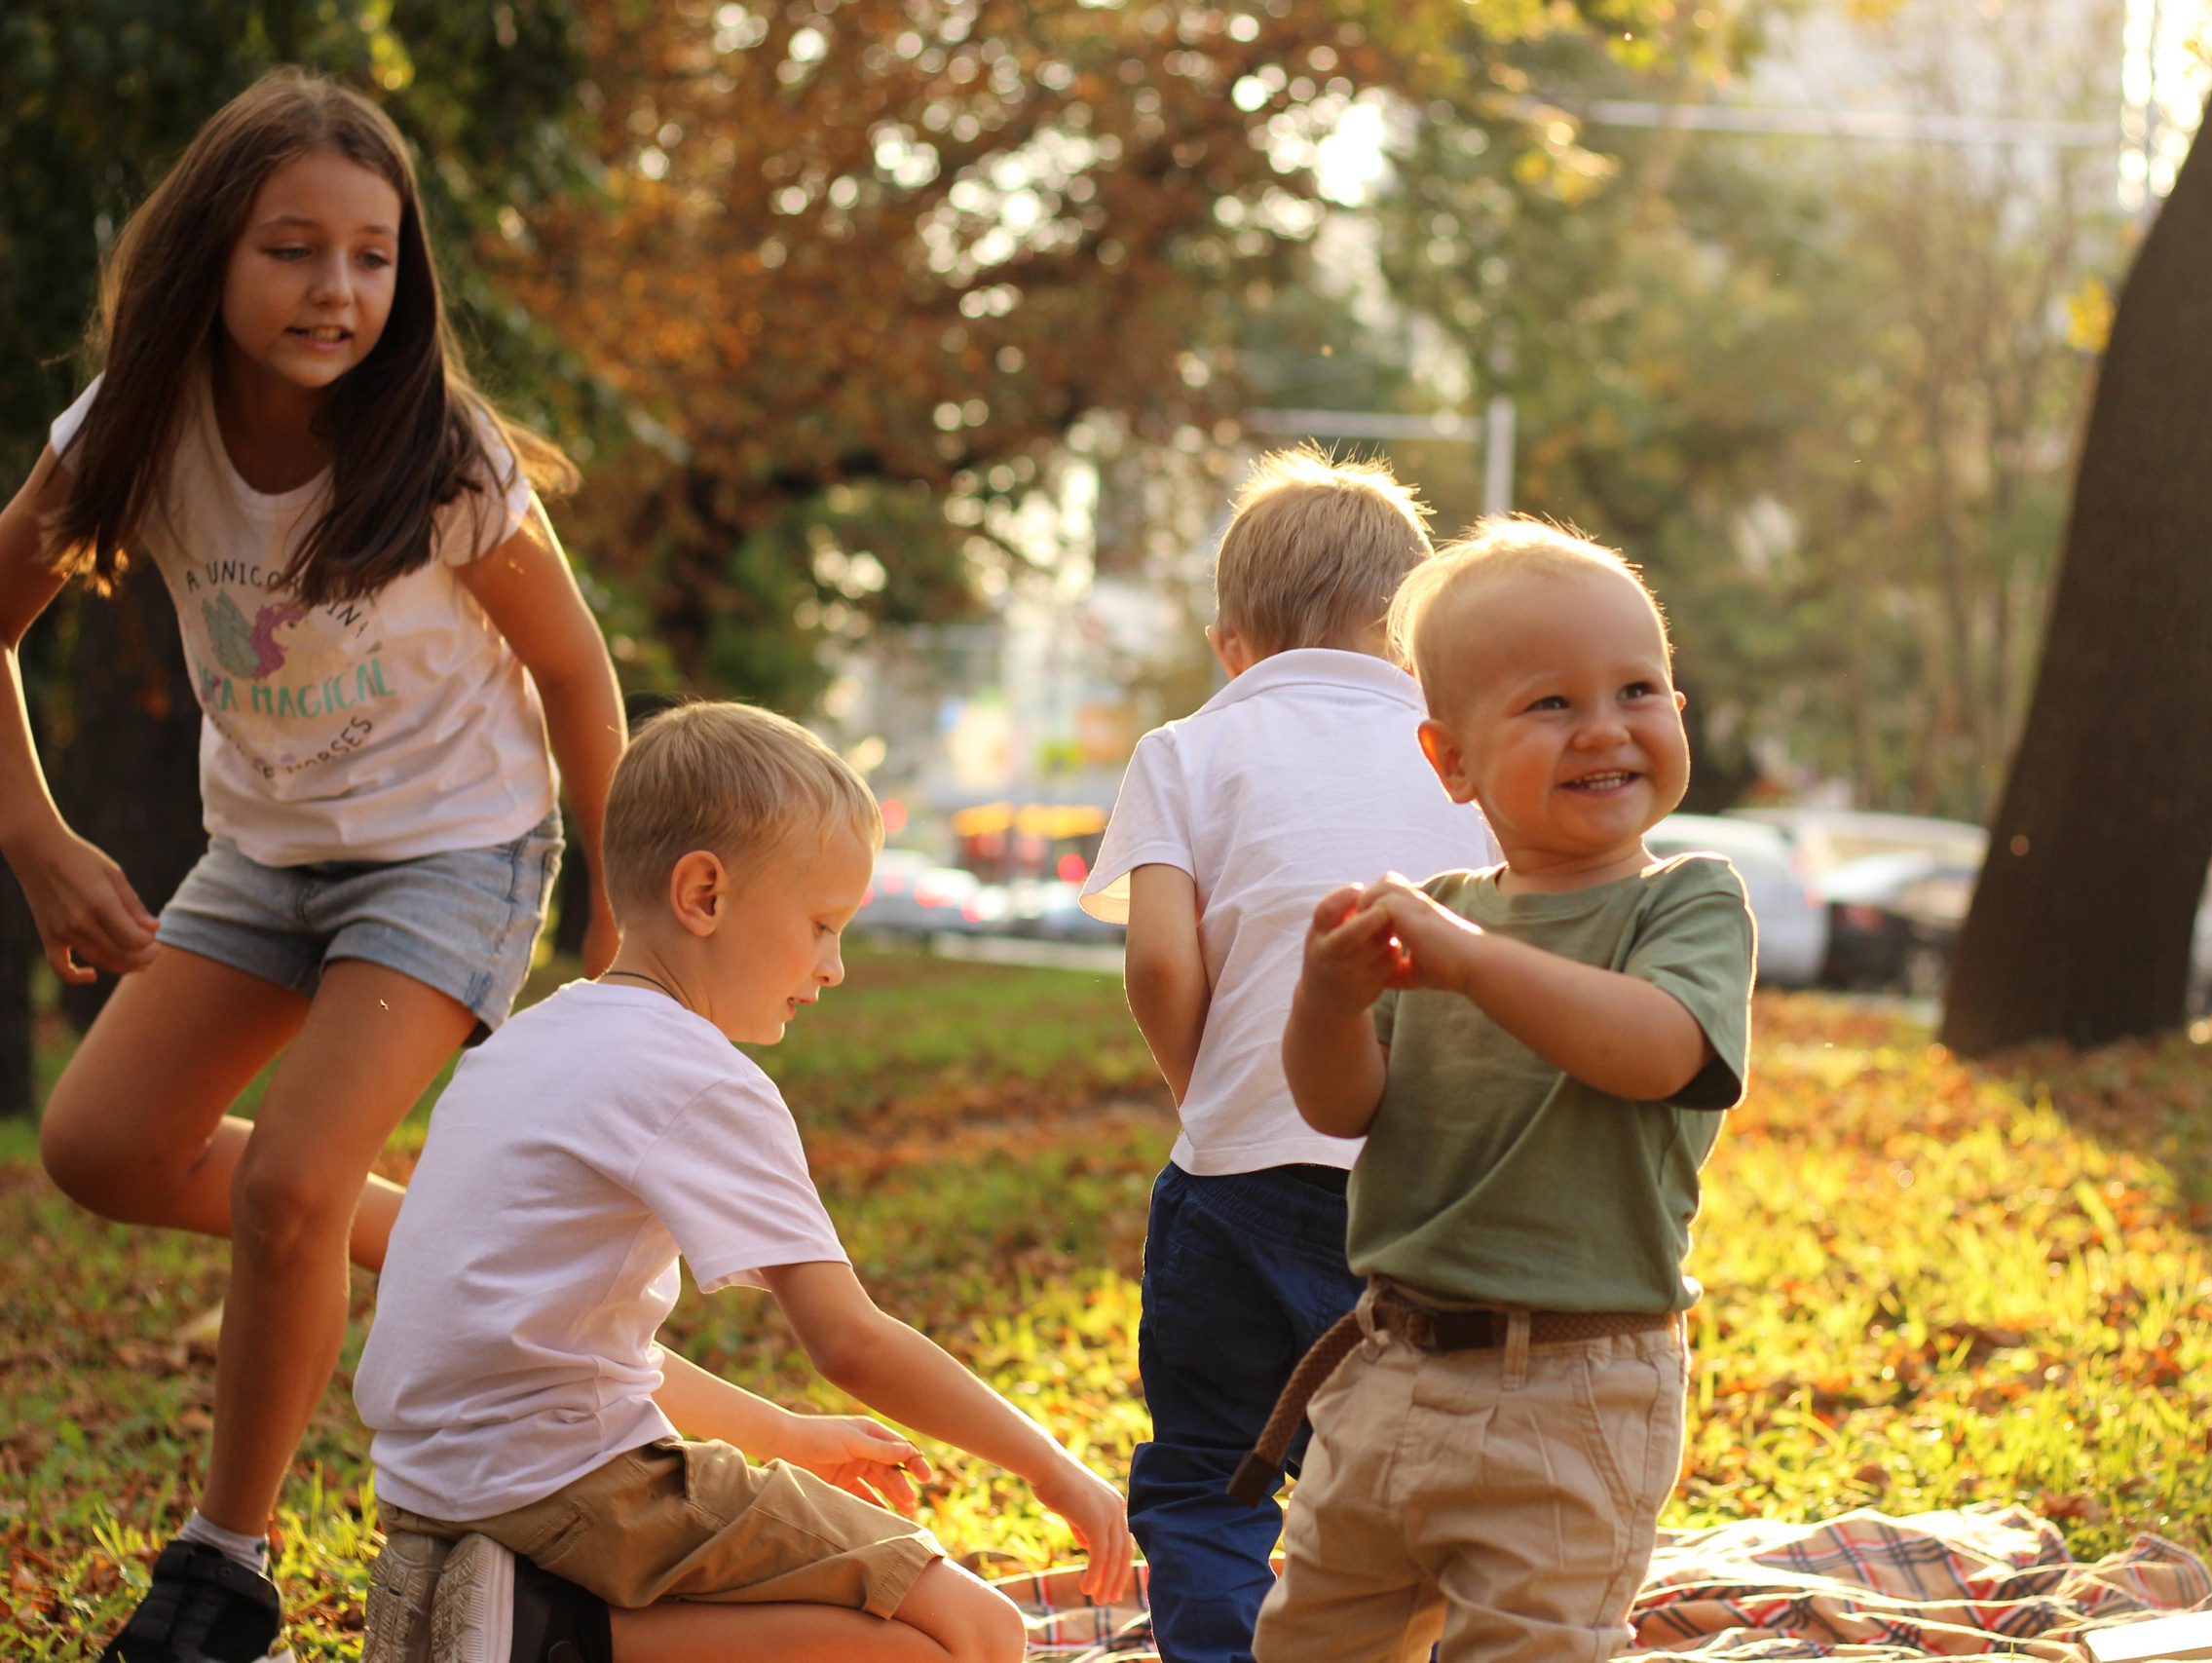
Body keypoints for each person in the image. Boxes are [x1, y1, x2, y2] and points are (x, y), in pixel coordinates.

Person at [0, 70, 625, 1663]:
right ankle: (360, 1206)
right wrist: (38, 837)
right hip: (269, 849)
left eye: (371, 254)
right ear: (210, 252)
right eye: (292, 248)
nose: (336, 288)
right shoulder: (132, 428)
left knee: (286, 1185)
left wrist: (616, 916)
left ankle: (227, 1573)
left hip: (456, 847)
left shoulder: (439, 452)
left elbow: (576, 672)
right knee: (100, 1145)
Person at [355, 700, 1135, 1663]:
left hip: (434, 1493)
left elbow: (563, 1359)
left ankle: (524, 1619)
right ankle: (553, 1635)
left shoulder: (521, 1046)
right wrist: (1051, 1468)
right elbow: (850, 1341)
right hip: (572, 1486)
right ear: (704, 894)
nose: (834, 966)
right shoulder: (698, 1076)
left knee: (905, 1624)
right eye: (821, 924)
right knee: (980, 1633)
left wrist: (784, 1436)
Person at [1251, 519, 1756, 1663]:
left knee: (1526, 1644)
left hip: (1575, 1386)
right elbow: (1343, 1107)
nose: (1605, 728)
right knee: (1310, 1642)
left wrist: (1471, 964)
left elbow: (1658, 1051)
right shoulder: (1441, 914)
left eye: (1637, 690)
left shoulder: (1683, 903)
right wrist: (1327, 1001)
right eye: (1550, 703)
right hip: (1390, 1364)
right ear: (1452, 762)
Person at [1077, 449, 1495, 1663]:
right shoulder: (1463, 756)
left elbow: (1160, 964)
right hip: (1434, 1191)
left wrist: (1203, 1087)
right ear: (1413, 634)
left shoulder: (1185, 750)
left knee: (1213, 1468)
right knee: (1427, 1466)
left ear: (1231, 647)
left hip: (1239, 1183)